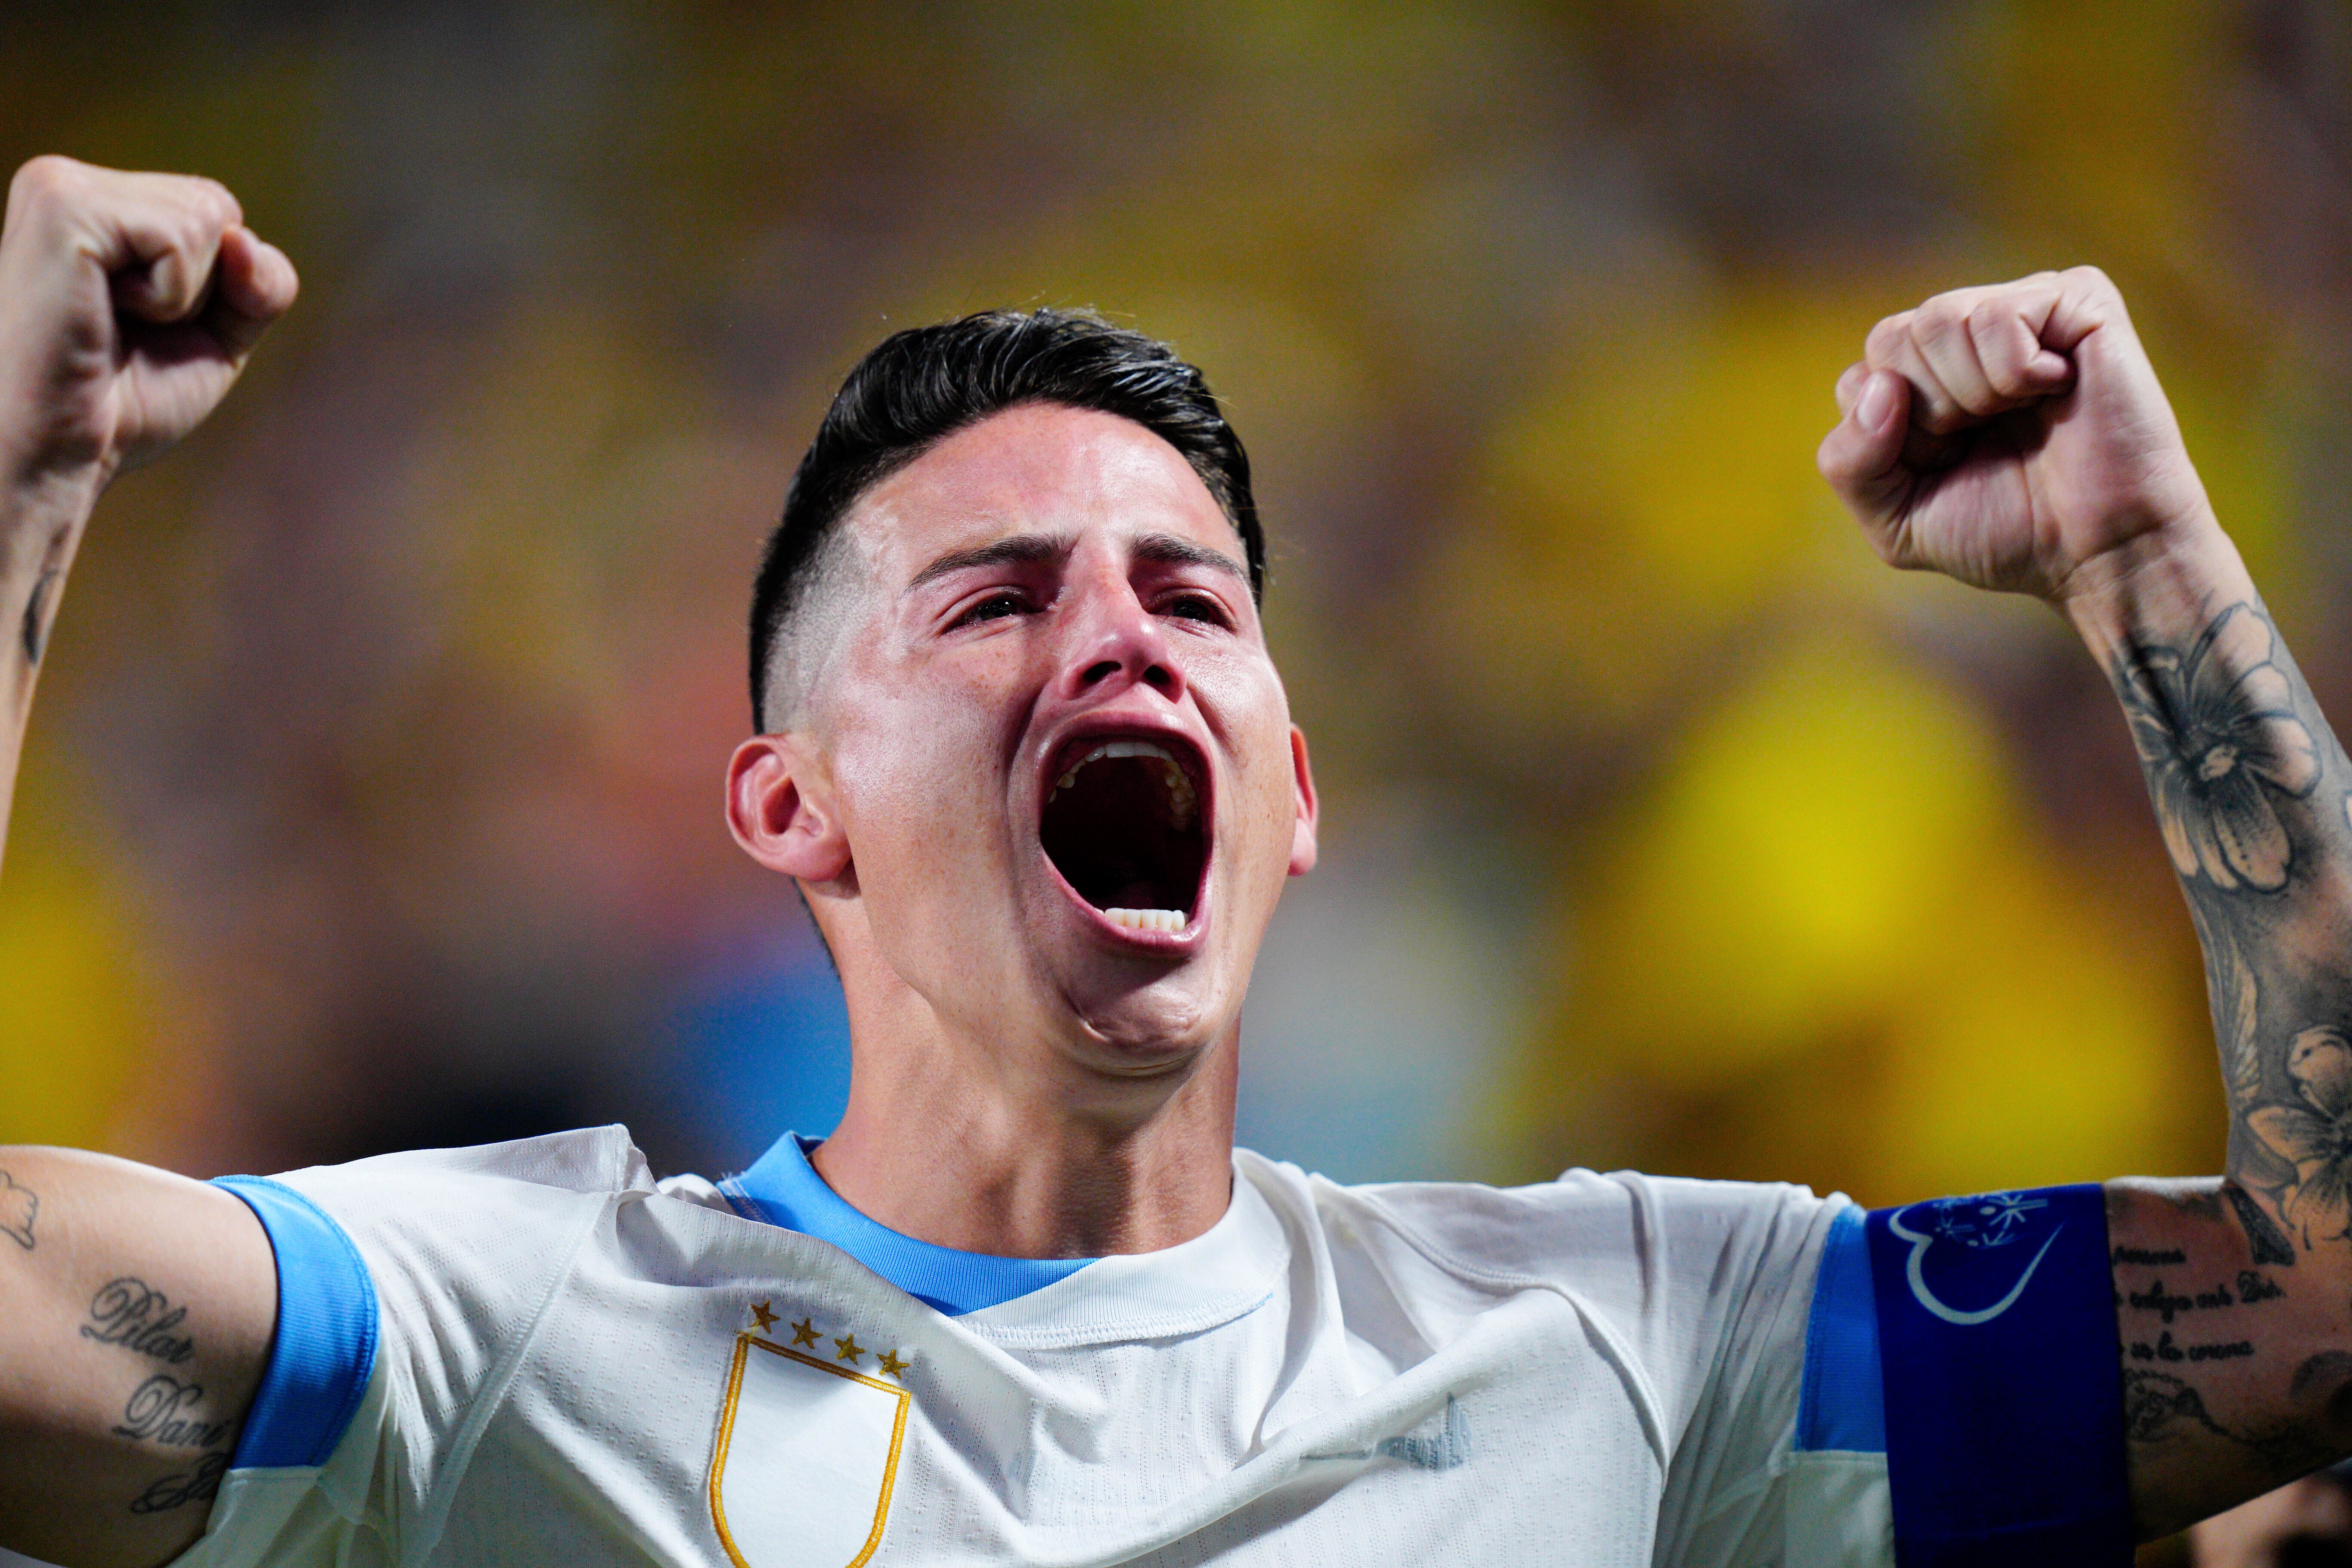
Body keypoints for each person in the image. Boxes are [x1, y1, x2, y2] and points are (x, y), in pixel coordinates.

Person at [0, 151, 2347, 1568]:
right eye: (997, 599)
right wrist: (18, 476)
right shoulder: (487, 1326)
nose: (1115, 635)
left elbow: (2320, 1305)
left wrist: (2144, 561)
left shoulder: (1645, 1344)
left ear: (1291, 794)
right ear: (786, 807)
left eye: (1190, 598)